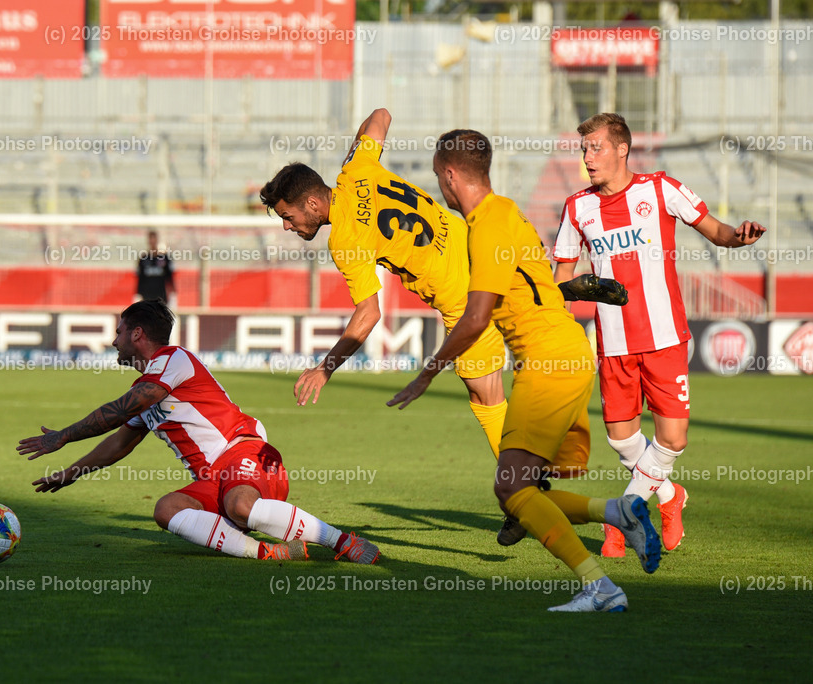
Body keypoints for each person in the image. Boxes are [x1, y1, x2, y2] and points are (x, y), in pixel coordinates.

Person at [388, 129, 661, 612]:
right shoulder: (507, 212)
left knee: (511, 486)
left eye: (436, 178)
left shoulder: (488, 225)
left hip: (548, 361)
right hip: (561, 355)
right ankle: (619, 513)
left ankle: (600, 587)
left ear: (450, 175)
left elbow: (475, 318)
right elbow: (537, 289)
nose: (438, 188)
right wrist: (576, 289)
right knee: (522, 485)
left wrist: (426, 373)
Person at [261, 109, 516, 527]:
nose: (289, 227)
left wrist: (325, 369)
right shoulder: (358, 168)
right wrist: (352, 160)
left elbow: (368, 314)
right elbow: (381, 115)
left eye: (289, 216)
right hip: (480, 248)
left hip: (462, 296)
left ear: (311, 202)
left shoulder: (344, 239)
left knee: (486, 398)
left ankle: (524, 495)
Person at [17, 300, 380, 564]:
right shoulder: (150, 384)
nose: (114, 341)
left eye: (119, 332)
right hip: (213, 478)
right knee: (167, 509)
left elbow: (124, 409)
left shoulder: (174, 361)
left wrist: (63, 436)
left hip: (246, 454)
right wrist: (71, 473)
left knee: (240, 506)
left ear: (138, 334)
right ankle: (267, 552)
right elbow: (119, 443)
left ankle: (342, 541)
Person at [553, 113, 767, 556]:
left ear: (622, 149)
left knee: (672, 439)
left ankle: (625, 512)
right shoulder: (577, 207)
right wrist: (570, 294)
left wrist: (739, 236)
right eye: (584, 149)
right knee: (620, 439)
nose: (588, 158)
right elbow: (562, 279)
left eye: (596, 148)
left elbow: (717, 232)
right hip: (613, 342)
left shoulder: (661, 188)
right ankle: (670, 497)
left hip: (665, 337)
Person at [136, 230, 176, 305]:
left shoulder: (165, 258)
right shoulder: (143, 259)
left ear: (157, 240)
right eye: (151, 239)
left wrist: (172, 293)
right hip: (147, 296)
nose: (153, 241)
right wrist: (138, 294)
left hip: (161, 296)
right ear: (148, 241)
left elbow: (170, 277)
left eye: (154, 238)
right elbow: (140, 278)